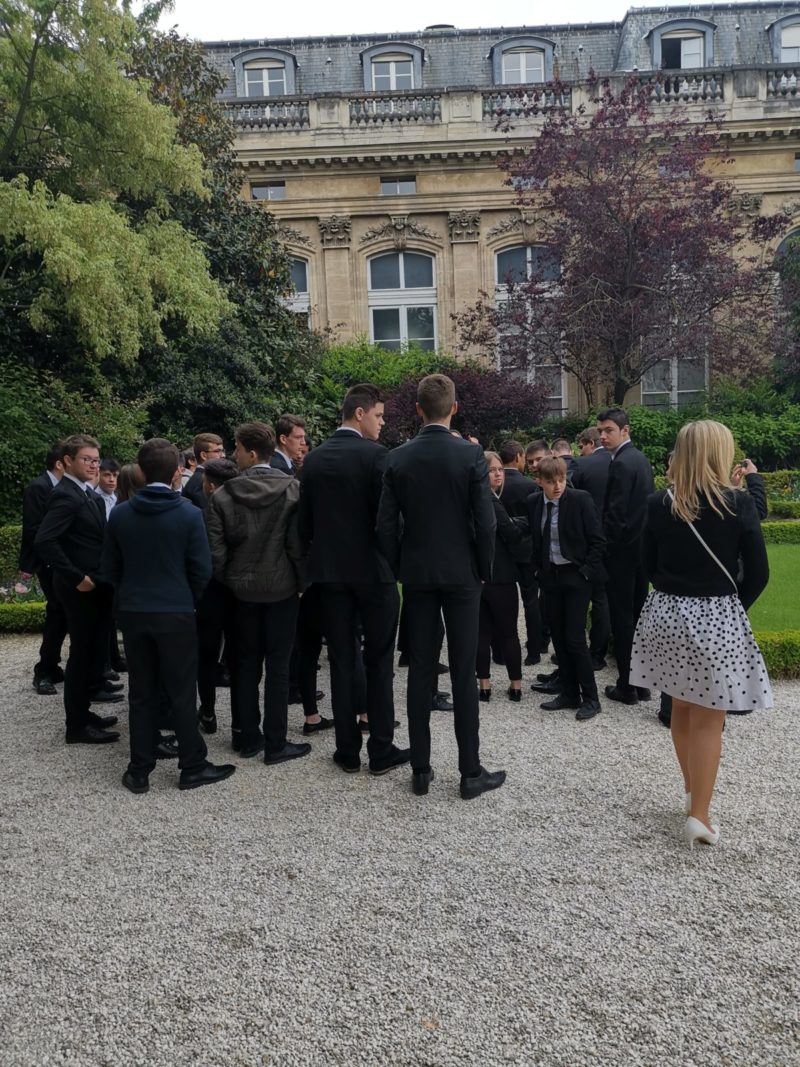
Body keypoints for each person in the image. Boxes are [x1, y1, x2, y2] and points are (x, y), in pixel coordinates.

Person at [630, 420, 772, 848]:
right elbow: (759, 574)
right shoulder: (739, 504)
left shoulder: (658, 503)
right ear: (719, 453)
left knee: (682, 709)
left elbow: (647, 565)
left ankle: (694, 792)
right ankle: (700, 814)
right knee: (711, 720)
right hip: (714, 615)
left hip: (666, 613)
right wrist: (729, 608)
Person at [377, 374, 505, 800]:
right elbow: (485, 520)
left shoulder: (397, 458)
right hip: (461, 573)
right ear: (454, 407)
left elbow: (385, 526)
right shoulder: (469, 456)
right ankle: (470, 772)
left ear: (417, 409)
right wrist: (482, 567)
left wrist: (400, 566)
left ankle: (420, 768)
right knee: (464, 669)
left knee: (420, 669)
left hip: (417, 573)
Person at [102, 439, 236, 793]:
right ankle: (191, 765)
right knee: (180, 690)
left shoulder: (120, 513)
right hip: (175, 611)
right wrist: (185, 599)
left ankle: (140, 768)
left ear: (142, 471)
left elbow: (110, 569)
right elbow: (201, 569)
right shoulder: (189, 513)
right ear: (177, 471)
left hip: (134, 611)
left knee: (141, 692)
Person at [299, 383, 408, 775]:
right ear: (359, 413)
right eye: (379, 415)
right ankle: (381, 749)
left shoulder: (313, 460)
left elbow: (304, 523)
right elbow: (388, 520)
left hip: (330, 576)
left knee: (343, 661)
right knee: (379, 662)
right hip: (373, 573)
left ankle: (347, 751)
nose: (382, 423)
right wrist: (393, 564)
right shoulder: (377, 456)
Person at [206, 421, 311, 766]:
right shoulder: (293, 490)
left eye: (235, 448)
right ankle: (276, 742)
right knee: (278, 667)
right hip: (282, 591)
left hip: (242, 592)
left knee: (244, 665)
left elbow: (216, 554)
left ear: (251, 453)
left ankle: (246, 736)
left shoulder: (222, 496)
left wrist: (233, 579)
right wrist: (300, 583)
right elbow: (298, 547)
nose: (232, 454)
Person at [34, 435, 120, 745]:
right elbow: (45, 540)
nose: (94, 465)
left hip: (95, 587)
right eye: (87, 459)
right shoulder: (66, 495)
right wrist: (75, 577)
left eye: (96, 460)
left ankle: (84, 713)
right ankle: (77, 725)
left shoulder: (86, 492)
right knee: (81, 655)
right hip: (79, 589)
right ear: (67, 461)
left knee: (93, 650)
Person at [528, 457, 606, 720]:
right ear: (540, 482)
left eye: (561, 480)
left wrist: (585, 572)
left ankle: (591, 697)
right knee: (559, 637)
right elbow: (536, 540)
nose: (557, 486)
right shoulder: (534, 503)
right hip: (551, 577)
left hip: (576, 577)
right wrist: (538, 570)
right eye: (551, 482)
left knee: (574, 637)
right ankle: (569, 692)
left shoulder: (580, 500)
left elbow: (597, 541)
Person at [596, 407, 654, 705]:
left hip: (622, 555)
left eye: (608, 430)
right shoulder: (641, 459)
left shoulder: (620, 463)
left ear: (625, 431)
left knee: (622, 620)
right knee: (637, 618)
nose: (603, 436)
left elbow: (616, 515)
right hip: (642, 553)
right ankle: (641, 684)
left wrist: (603, 550)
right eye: (601, 431)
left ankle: (626, 686)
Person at [18, 443, 68, 696]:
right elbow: (34, 530)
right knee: (58, 612)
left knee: (60, 614)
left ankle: (52, 666)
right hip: (49, 562)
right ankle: (44, 670)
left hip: (60, 561)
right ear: (60, 463)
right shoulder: (39, 487)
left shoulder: (62, 488)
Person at [477, 453, 527, 703]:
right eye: (491, 470)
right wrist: (522, 524)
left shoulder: (477, 499)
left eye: (500, 469)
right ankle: (515, 684)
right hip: (501, 575)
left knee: (482, 633)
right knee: (508, 633)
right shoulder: (489, 500)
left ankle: (484, 686)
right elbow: (509, 532)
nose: (498, 473)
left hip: (481, 576)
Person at [196, 457, 240, 736]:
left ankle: (209, 711)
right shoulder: (244, 509)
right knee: (238, 657)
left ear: (211, 486)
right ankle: (240, 721)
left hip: (212, 591)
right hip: (238, 591)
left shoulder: (201, 512)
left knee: (207, 655)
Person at [499, 439, 543, 666]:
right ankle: (534, 649)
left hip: (502, 551)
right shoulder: (530, 485)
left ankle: (498, 650)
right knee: (530, 602)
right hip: (526, 550)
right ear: (518, 457)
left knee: (499, 602)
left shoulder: (496, 484)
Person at [572, 427, 613, 669]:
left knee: (589, 597)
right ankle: (600, 652)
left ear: (589, 443)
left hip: (587, 541)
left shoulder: (582, 465)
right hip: (616, 539)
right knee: (606, 599)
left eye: (582, 446)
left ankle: (585, 650)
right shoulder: (622, 462)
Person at [182, 432, 226, 510]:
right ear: (203, 455)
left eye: (223, 451)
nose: (223, 455)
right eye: (218, 451)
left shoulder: (202, 478)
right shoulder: (200, 482)